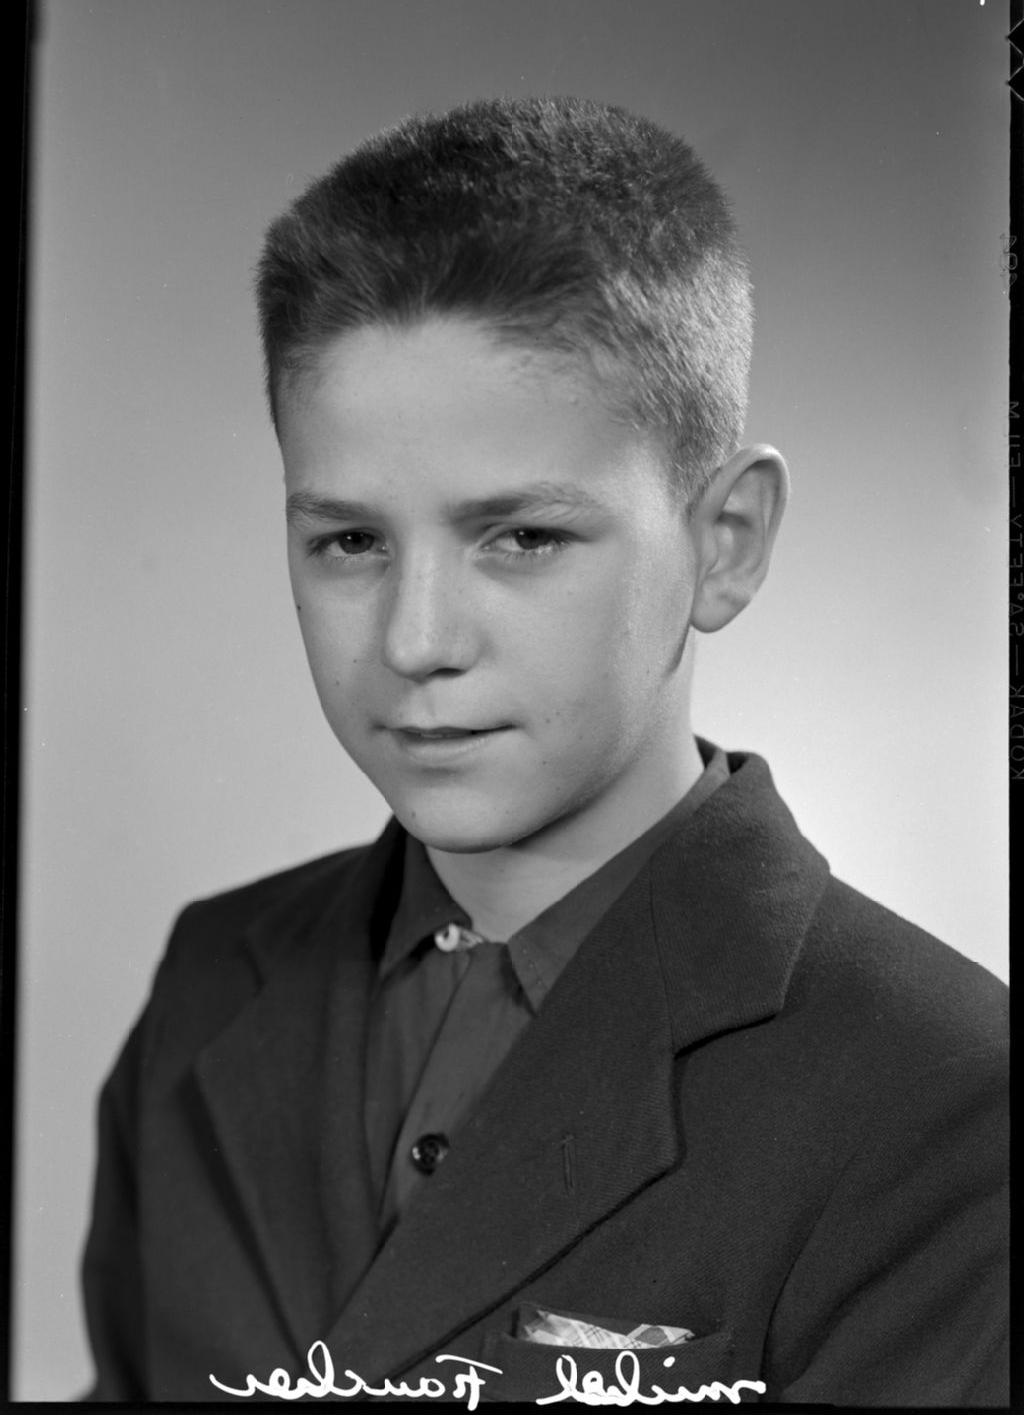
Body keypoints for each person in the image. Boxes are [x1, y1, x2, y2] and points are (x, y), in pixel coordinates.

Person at [81, 96, 1008, 1405]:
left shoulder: (950, 1098)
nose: (416, 640)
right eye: (350, 540)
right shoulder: (211, 979)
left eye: (521, 537)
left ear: (726, 541)